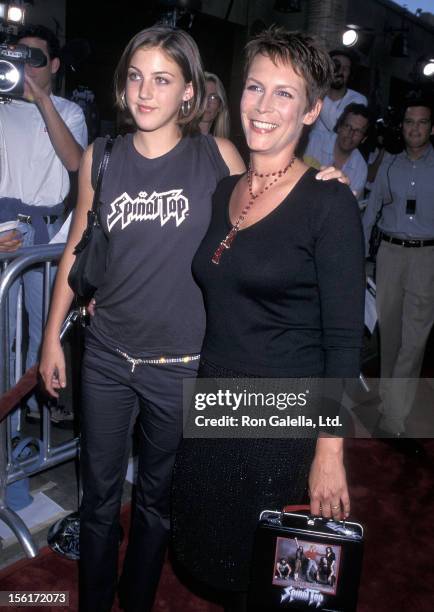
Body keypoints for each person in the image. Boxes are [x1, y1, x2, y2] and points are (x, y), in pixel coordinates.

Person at [39, 25, 245, 612]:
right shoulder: (101, 159)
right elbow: (77, 244)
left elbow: (267, 214)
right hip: (105, 357)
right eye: (135, 77)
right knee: (98, 501)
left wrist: (321, 183)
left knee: (156, 502)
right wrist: (53, 337)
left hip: (180, 368)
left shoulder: (216, 157)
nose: (145, 92)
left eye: (162, 79)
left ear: (189, 92)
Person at [172, 26, 365, 612]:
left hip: (282, 421)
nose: (263, 106)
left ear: (311, 110)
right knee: (216, 563)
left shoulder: (329, 204)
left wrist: (328, 453)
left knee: (270, 582)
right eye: (256, 87)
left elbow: (343, 341)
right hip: (215, 401)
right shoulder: (224, 188)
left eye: (285, 94)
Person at [0, 24, 87, 427]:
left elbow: (75, 162)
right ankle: (8, 421)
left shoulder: (68, 110)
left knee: (43, 330)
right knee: (5, 335)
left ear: (53, 64)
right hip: (4, 230)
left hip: (47, 236)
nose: (25, 64)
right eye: (18, 55)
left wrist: (41, 100)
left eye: (34, 57)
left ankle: (34, 405)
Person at [362, 99, 434, 442]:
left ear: (432, 128)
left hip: (427, 257)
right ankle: (390, 400)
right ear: (401, 127)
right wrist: (360, 257)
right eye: (409, 122)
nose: (415, 128)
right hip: (389, 254)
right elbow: (371, 211)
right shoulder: (390, 165)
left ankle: (394, 416)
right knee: (389, 334)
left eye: (422, 123)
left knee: (414, 338)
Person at [304, 102, 370, 199]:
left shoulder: (361, 169)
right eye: (348, 126)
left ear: (363, 138)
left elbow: (348, 205)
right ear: (339, 127)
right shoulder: (313, 141)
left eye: (358, 131)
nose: (351, 134)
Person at [309, 49, 367, 139]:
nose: (340, 71)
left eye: (346, 68)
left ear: (350, 74)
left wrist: (320, 87)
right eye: (336, 66)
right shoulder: (313, 93)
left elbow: (336, 126)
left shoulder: (358, 99)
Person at [199, 71, 230, 138]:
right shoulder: (178, 139)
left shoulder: (223, 145)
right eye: (202, 96)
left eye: (213, 97)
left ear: (220, 106)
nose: (206, 103)